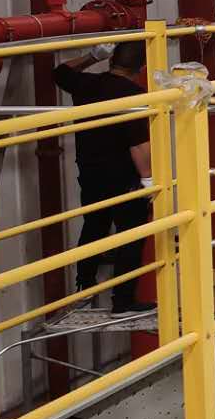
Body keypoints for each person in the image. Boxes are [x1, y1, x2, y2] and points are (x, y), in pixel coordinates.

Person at [53, 41, 152, 312]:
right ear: (141, 68)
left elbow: (60, 72)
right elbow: (138, 145)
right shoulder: (134, 95)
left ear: (110, 60)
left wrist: (91, 56)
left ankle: (85, 284)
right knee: (131, 235)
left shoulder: (87, 84)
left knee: (94, 226)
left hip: (91, 171)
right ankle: (122, 300)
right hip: (124, 177)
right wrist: (148, 179)